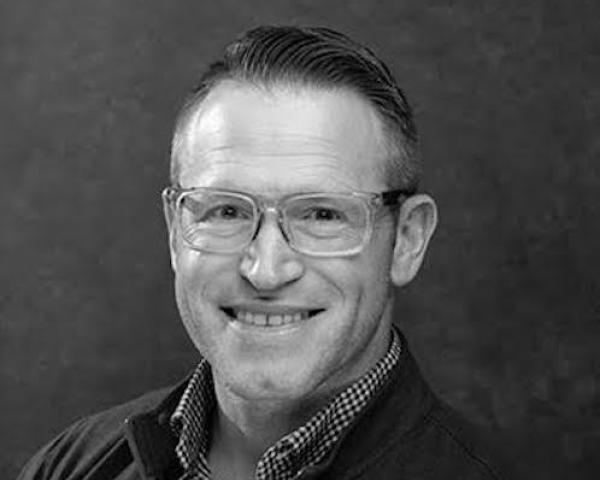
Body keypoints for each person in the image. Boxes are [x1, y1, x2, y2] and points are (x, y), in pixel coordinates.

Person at [18, 25, 506, 480]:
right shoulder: (72, 466)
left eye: (321, 215)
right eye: (227, 211)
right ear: (175, 231)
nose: (266, 271)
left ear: (407, 239)